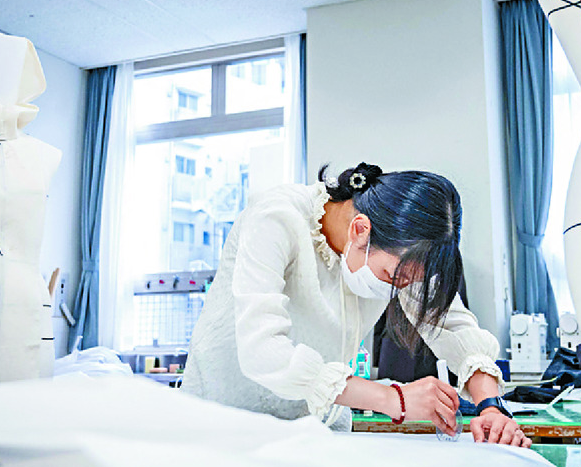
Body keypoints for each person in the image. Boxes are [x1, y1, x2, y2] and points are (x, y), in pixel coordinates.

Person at [182, 162, 530, 446]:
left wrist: (491, 408)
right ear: (360, 230)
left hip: (313, 428)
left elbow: (452, 325)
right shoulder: (276, 218)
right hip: (225, 422)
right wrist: (393, 399)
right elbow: (263, 352)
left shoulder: (399, 246)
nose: (397, 289)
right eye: (392, 277)